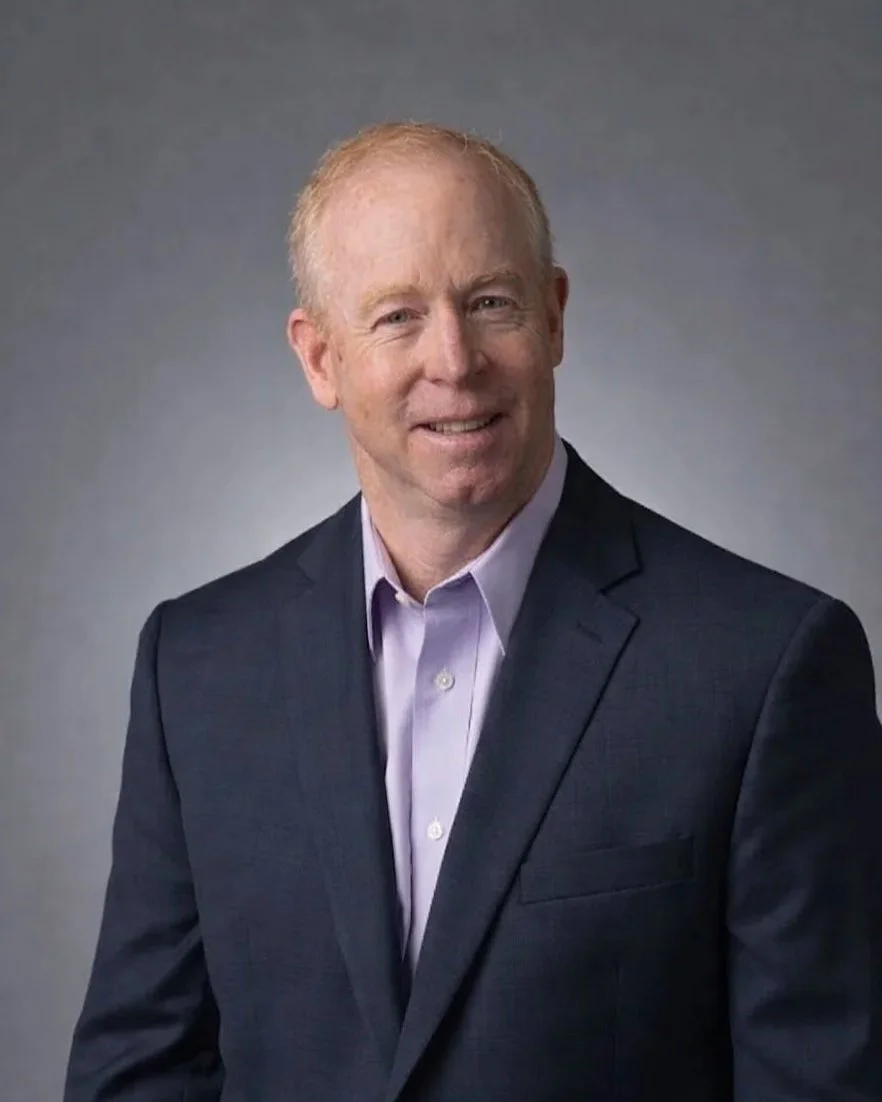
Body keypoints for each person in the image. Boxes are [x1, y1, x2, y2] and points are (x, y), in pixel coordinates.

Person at [63, 121, 882, 1102]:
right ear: (320, 359)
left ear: (554, 318)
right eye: (397, 316)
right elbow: (140, 1072)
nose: (454, 360)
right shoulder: (195, 667)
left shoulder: (765, 665)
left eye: (490, 303)